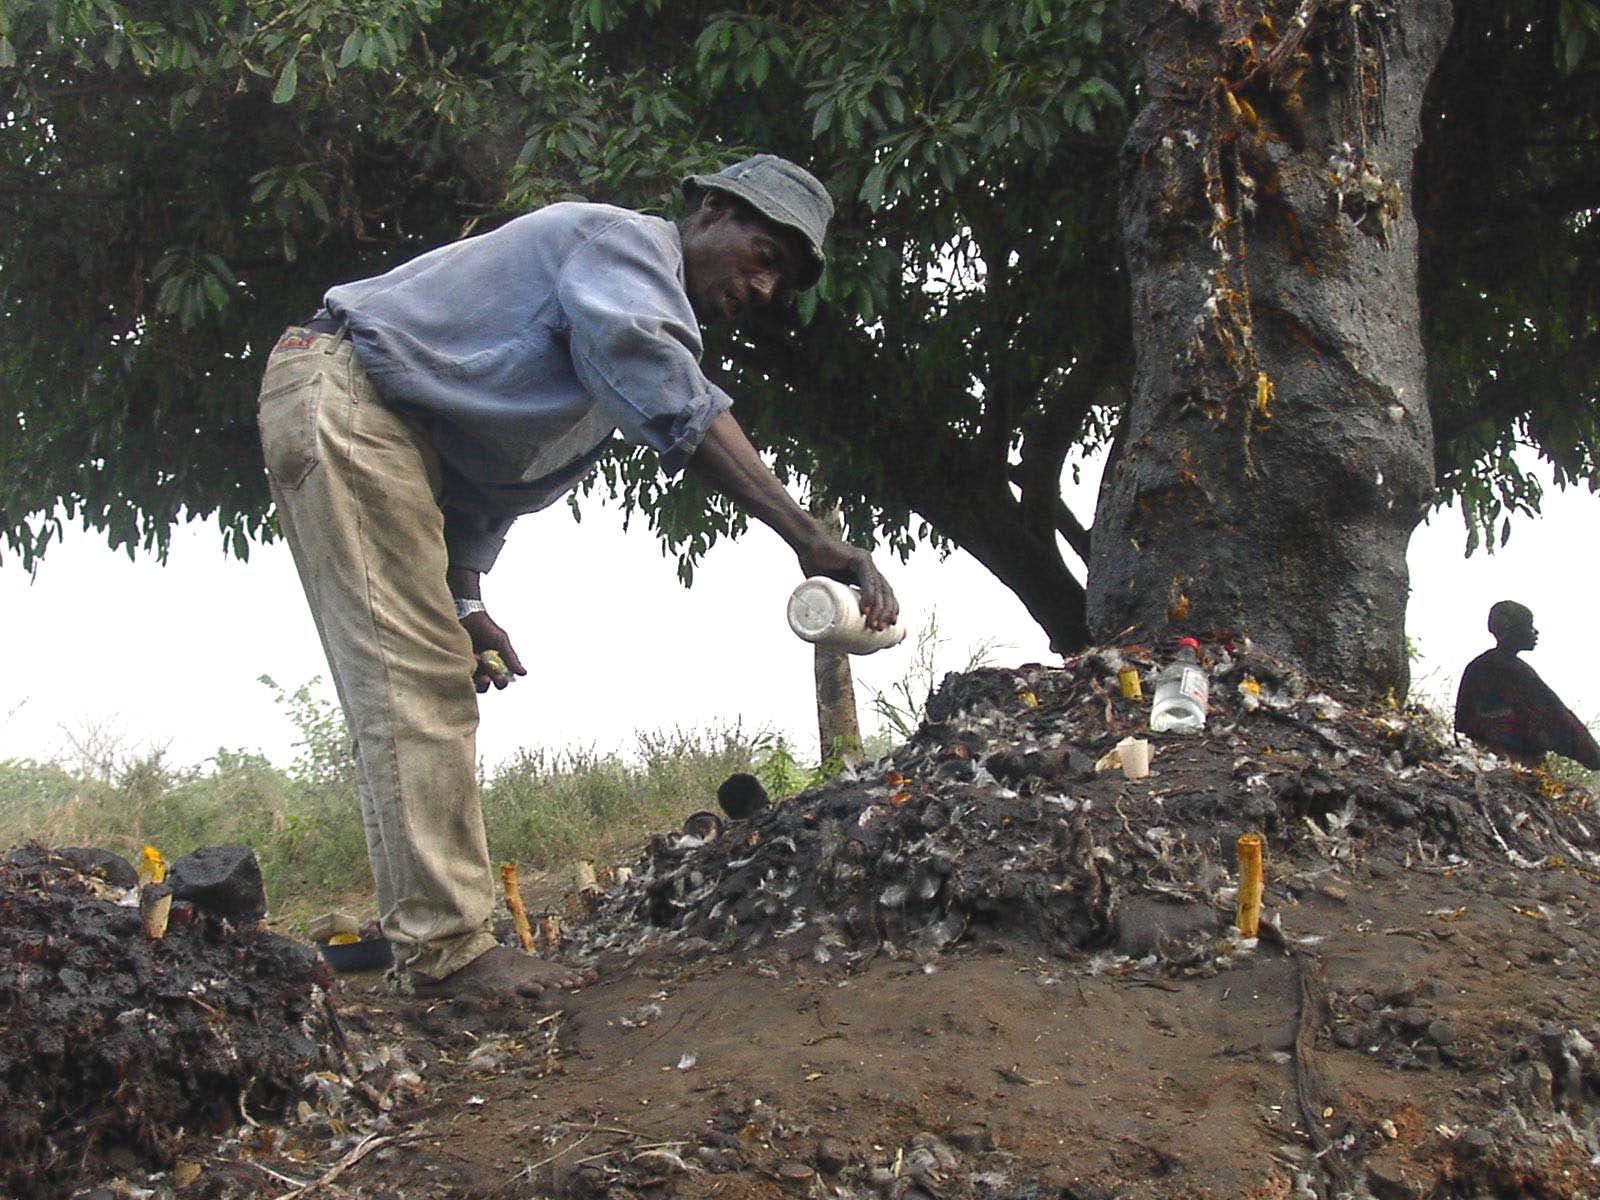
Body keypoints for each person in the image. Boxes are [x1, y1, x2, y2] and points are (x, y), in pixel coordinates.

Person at [255, 154, 899, 999]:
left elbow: (488, 478)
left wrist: (466, 598)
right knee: (413, 684)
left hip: (393, 423)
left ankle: (436, 944)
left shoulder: (602, 353)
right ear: (707, 211)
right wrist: (807, 533)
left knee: (424, 674)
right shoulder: (625, 249)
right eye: (765, 255)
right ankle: (449, 957)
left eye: (785, 279)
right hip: (348, 390)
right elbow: (672, 387)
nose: (767, 289)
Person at [1454, 600, 1599, 770]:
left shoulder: (1478, 665)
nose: (1535, 632)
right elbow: (1558, 717)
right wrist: (1594, 756)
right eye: (1529, 626)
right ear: (1512, 630)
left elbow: (1461, 724)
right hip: (1513, 762)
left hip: (1481, 757)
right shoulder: (1514, 670)